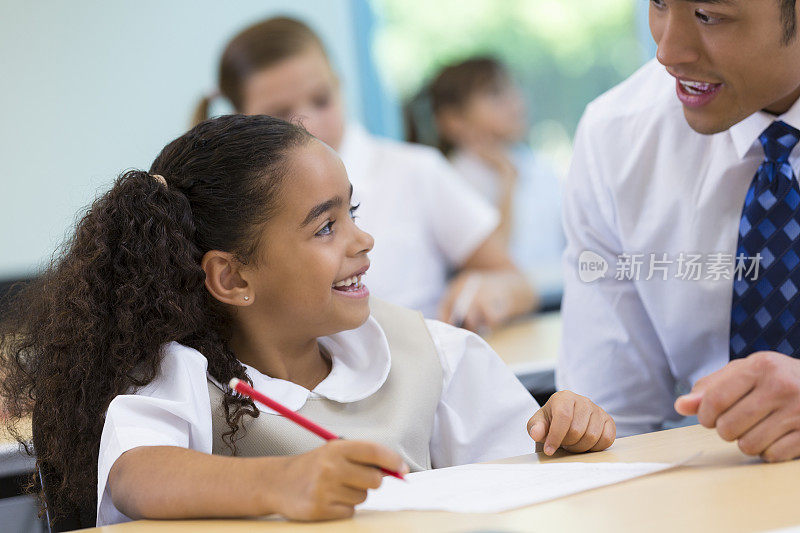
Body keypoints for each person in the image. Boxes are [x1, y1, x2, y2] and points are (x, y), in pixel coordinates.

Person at [0, 115, 615, 527]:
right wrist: (283, 484)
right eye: (326, 227)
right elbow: (136, 472)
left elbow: (522, 480)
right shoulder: (183, 376)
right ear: (233, 278)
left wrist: (565, 433)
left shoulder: (427, 351)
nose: (362, 240)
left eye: (353, 212)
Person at [559, 0, 800, 461]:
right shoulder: (618, 136)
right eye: (659, 4)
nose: (668, 52)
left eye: (708, 17)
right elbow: (612, 419)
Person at [193, 17, 536, 332]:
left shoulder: (414, 170)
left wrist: (493, 292)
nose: (308, 125)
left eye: (322, 100)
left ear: (339, 86)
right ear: (240, 120)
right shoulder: (230, 214)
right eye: (281, 114)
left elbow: (517, 281)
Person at [429, 57, 564, 289]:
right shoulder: (450, 178)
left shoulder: (538, 166)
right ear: (453, 120)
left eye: (514, 88)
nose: (515, 101)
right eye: (495, 94)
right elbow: (494, 261)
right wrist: (507, 180)